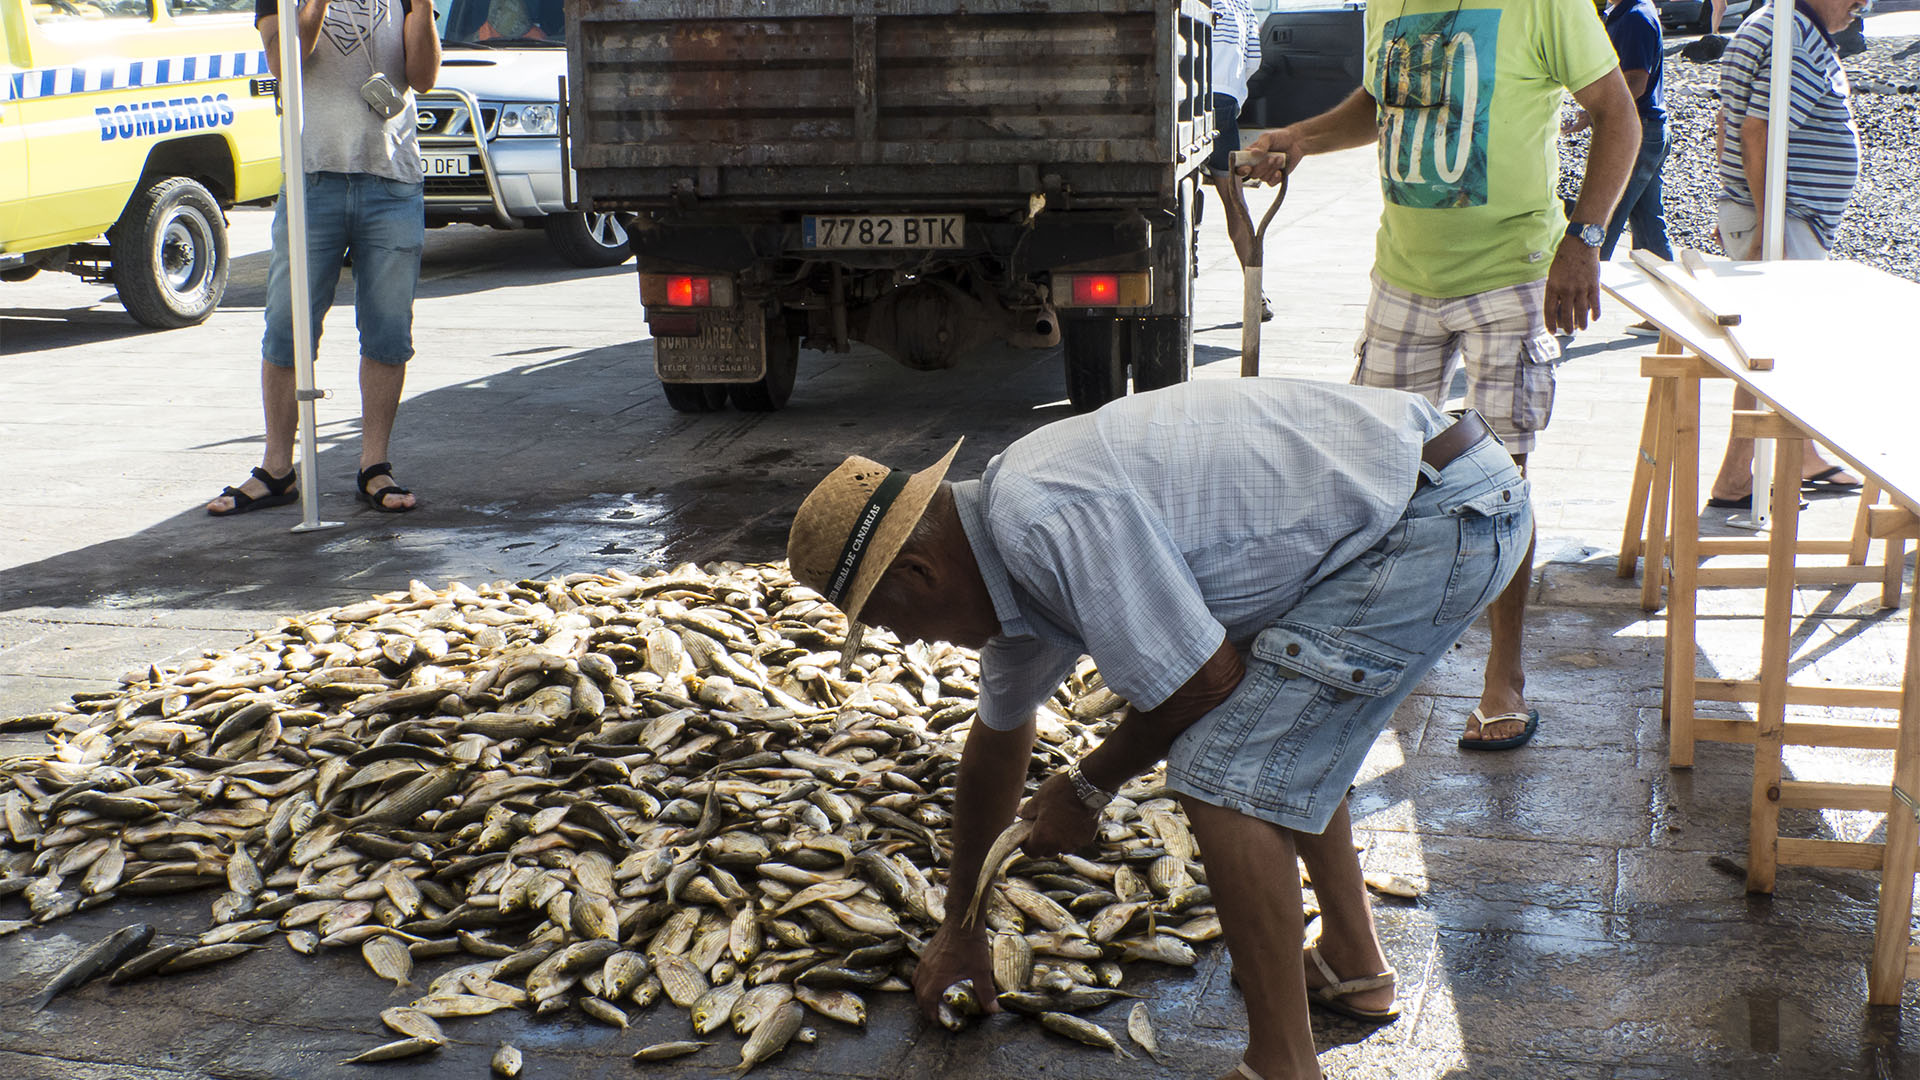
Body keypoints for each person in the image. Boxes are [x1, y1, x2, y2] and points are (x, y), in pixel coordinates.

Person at [787, 380, 1532, 1080]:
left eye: (892, 625)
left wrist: (1085, 787)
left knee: (1222, 769)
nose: (916, 647)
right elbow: (996, 742)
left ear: (921, 574)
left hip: (1442, 515)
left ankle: (1282, 1064)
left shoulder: (1039, 515)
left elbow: (1202, 684)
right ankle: (1353, 964)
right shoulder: (1000, 563)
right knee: (1271, 728)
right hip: (1428, 499)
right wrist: (963, 924)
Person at [1239, 0, 1639, 750]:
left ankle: (1505, 677)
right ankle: (1371, 652)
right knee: (1373, 474)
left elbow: (1619, 114)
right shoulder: (1387, 2)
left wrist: (1583, 241)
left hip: (1512, 273)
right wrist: (1301, 138)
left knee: (1500, 484)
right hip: (1403, 274)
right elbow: (1380, 103)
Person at [208, 0, 439, 517]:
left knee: (387, 329)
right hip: (313, 182)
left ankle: (373, 466)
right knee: (288, 327)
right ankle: (277, 469)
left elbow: (422, 78)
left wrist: (421, 6)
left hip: (393, 181)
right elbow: (285, 60)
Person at [1704, 0, 1867, 509]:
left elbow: (1727, 121)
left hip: (1774, 215)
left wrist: (1736, 200)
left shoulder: (1780, 24)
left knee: (1776, 349)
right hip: (1781, 219)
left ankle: (1799, 457)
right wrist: (1763, 223)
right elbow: (1757, 130)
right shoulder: (1792, 32)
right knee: (1773, 351)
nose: (1865, 3)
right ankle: (1741, 476)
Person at [1202, 0, 1271, 321]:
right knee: (1234, 200)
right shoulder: (1242, 7)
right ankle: (1255, 293)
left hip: (1184, 96)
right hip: (1224, 102)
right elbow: (1253, 60)